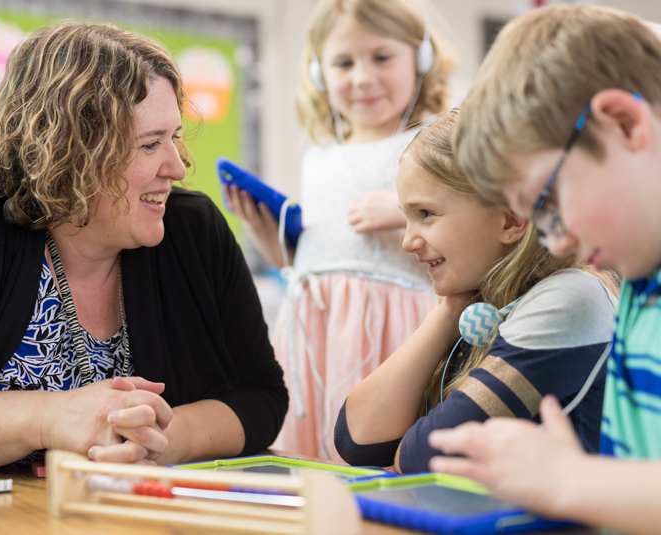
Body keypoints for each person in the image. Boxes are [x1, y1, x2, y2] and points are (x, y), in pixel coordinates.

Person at [0, 21, 287, 471]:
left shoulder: (194, 231)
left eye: (174, 138)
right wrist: (46, 417)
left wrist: (161, 438)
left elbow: (262, 396)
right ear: (70, 152)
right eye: (149, 145)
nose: (177, 167)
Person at [423, 6, 661, 535]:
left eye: (549, 200)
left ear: (623, 122)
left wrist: (577, 482)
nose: (554, 239)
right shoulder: (640, 289)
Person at [226, 0, 455, 460]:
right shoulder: (319, 157)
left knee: (380, 449)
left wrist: (405, 208)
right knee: (311, 453)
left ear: (421, 59)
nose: (362, 77)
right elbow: (320, 260)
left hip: (393, 329)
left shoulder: (432, 141)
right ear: (318, 74)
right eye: (344, 62)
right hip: (316, 331)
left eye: (382, 57)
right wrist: (277, 249)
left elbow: (470, 215)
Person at [334, 110, 619, 473]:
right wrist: (448, 313)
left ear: (511, 220)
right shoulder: (478, 304)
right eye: (406, 217)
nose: (408, 241)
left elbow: (423, 456)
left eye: (426, 213)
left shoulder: (572, 299)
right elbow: (357, 440)